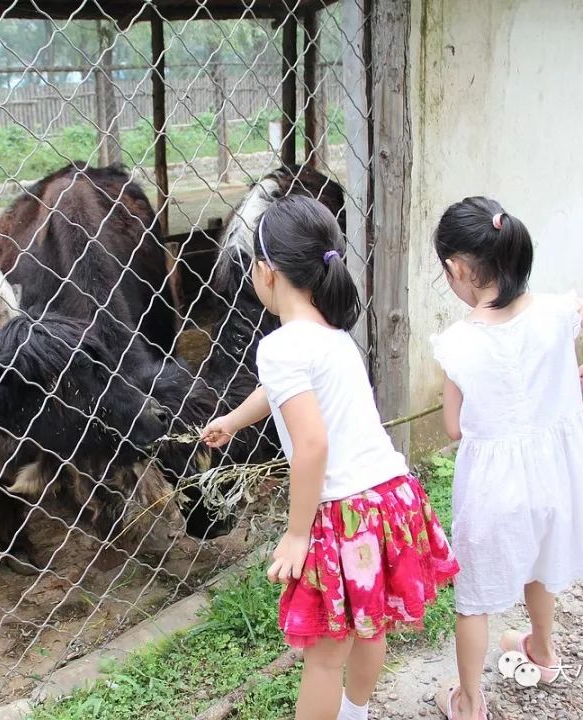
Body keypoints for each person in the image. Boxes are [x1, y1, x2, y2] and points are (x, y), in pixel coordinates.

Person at [201, 195, 459, 720]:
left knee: (323, 653)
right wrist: (233, 419)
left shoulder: (278, 347)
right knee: (371, 626)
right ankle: (356, 712)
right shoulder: (333, 337)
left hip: (343, 512)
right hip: (390, 498)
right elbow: (277, 391)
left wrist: (297, 532)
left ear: (265, 272)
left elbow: (312, 445)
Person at [429, 196, 583, 719]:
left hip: (492, 492)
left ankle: (469, 702)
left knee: (473, 600)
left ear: (457, 269)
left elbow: (453, 427)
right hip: (556, 481)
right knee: (539, 563)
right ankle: (543, 650)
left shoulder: (455, 344)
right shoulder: (561, 312)